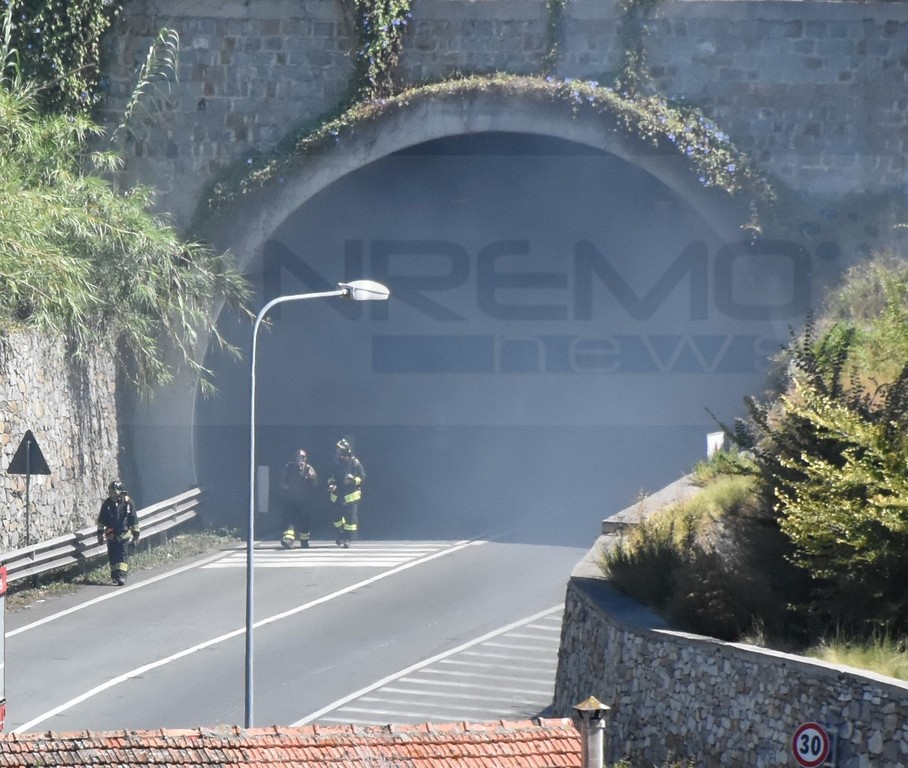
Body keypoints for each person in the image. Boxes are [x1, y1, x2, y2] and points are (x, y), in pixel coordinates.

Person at [96, 480, 140, 586]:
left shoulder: (128, 503)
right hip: (111, 535)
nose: (112, 495)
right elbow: (101, 521)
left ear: (120, 492)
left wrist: (136, 535)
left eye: (114, 492)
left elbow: (133, 519)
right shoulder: (107, 504)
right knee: (113, 556)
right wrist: (100, 535)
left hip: (124, 535)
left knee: (122, 555)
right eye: (111, 492)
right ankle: (115, 575)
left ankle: (122, 576)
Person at [328, 437, 365, 548]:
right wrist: (332, 484)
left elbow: (362, 477)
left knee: (350, 519)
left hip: (350, 496)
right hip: (337, 494)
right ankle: (340, 535)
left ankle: (348, 538)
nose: (337, 452)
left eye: (339, 450)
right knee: (336, 518)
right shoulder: (336, 463)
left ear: (345, 450)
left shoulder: (355, 462)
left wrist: (352, 480)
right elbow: (331, 477)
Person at [279, 448, 319, 549]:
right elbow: (283, 481)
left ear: (305, 458)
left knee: (304, 521)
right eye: (297, 457)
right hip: (291, 499)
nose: (299, 460)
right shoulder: (289, 467)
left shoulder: (308, 468)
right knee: (289, 520)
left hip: (305, 500)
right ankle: (288, 540)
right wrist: (286, 487)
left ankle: (304, 541)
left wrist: (311, 477)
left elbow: (316, 483)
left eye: (301, 457)